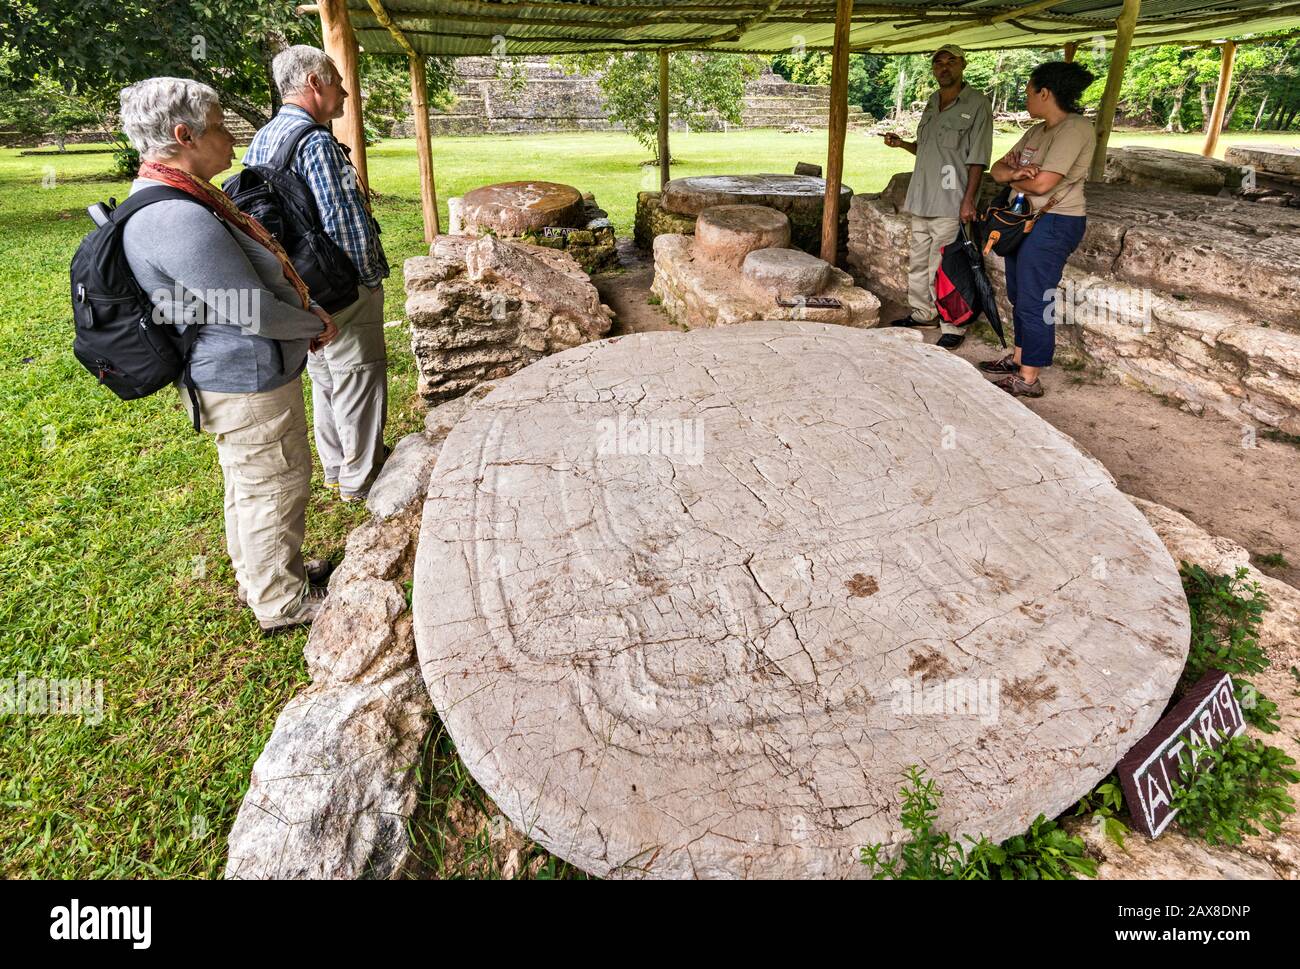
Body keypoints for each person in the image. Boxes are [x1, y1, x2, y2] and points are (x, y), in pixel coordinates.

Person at [118, 77, 338, 632]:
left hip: (234, 374)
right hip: (245, 378)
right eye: (219, 128)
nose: (231, 141)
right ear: (183, 135)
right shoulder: (176, 216)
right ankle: (282, 602)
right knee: (275, 483)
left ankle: (262, 576)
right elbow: (251, 310)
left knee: (251, 483)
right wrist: (313, 322)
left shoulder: (178, 198)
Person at [243, 45, 390, 502]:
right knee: (359, 377)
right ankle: (363, 479)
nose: (345, 91)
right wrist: (368, 282)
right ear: (313, 83)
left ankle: (336, 467)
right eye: (337, 81)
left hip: (298, 281)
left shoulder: (263, 137)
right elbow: (344, 222)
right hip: (339, 283)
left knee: (326, 378)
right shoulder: (316, 141)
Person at [980, 61, 1097, 398]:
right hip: (1025, 220)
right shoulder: (1039, 130)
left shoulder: (1073, 130)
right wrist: (1018, 175)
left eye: (1029, 92)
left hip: (1055, 222)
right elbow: (998, 170)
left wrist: (1023, 175)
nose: (1027, 99)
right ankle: (1019, 359)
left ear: (1045, 92)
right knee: (1020, 294)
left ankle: (1028, 379)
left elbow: (1044, 182)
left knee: (1034, 298)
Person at [884, 44, 993, 350]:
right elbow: (927, 148)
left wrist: (968, 200)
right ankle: (923, 313)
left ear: (963, 65)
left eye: (950, 62)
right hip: (922, 198)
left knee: (946, 266)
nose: (944, 67)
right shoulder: (933, 101)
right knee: (918, 262)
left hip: (951, 200)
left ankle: (953, 325)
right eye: (938, 63)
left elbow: (978, 158)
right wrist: (903, 144)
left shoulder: (977, 104)